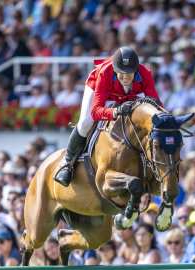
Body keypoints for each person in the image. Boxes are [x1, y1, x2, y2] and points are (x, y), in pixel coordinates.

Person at [54, 46, 161, 187]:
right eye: (120, 73)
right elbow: (96, 111)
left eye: (129, 74)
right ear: (115, 70)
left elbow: (156, 103)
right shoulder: (105, 73)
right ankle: (67, 163)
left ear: (135, 71)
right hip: (102, 89)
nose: (124, 78)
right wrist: (115, 112)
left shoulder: (145, 74)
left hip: (129, 94)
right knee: (86, 122)